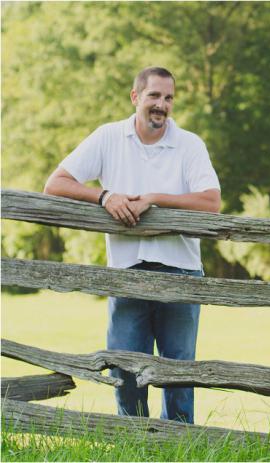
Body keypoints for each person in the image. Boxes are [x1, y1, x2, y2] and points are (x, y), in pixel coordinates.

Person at [43, 66, 221, 423]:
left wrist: (155, 198)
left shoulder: (189, 144)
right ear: (135, 97)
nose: (162, 104)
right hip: (126, 273)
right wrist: (104, 196)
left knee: (178, 371)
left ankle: (179, 447)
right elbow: (56, 184)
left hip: (181, 272)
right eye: (154, 95)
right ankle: (132, 443)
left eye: (169, 98)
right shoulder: (108, 137)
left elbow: (211, 202)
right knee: (124, 370)